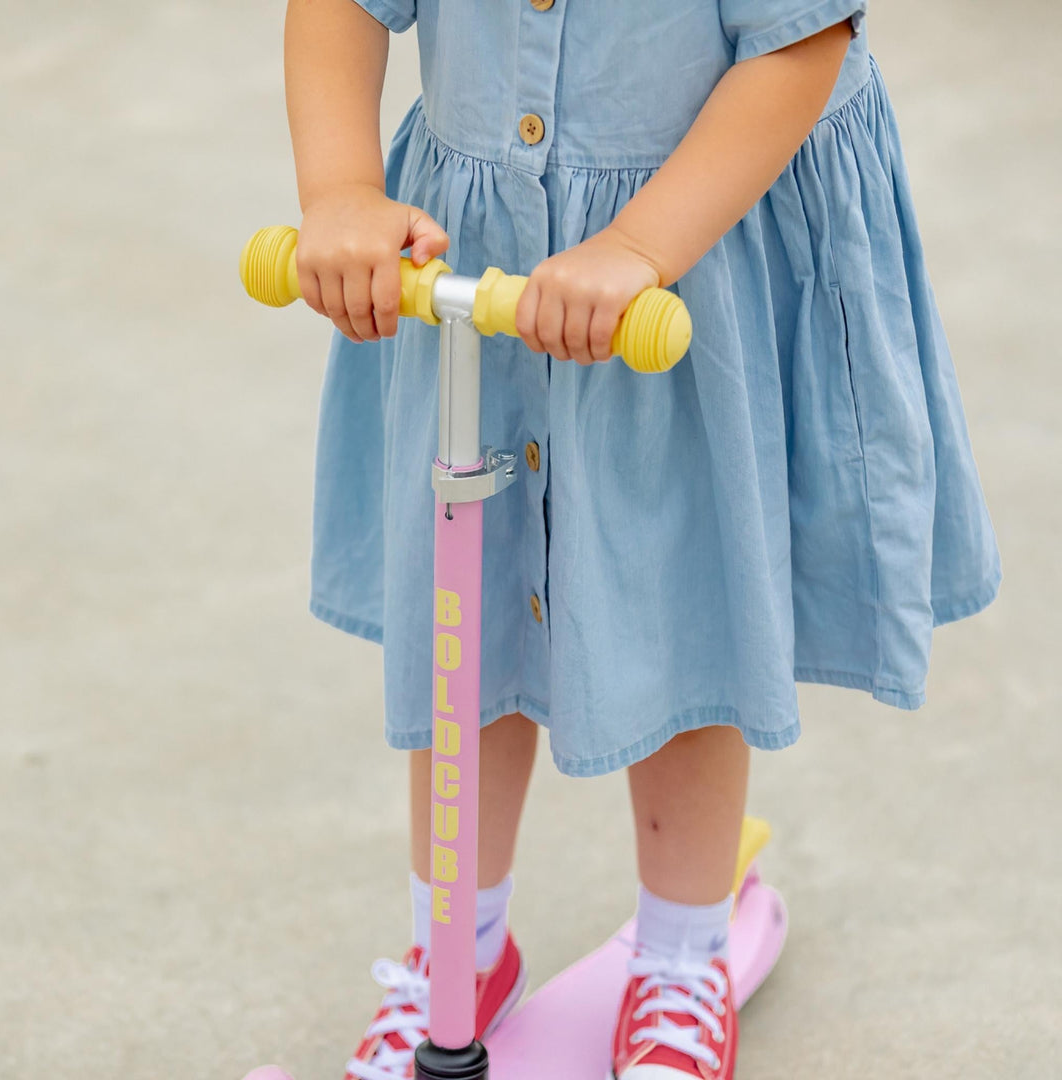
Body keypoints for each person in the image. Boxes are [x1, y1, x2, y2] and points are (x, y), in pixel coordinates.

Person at [284, 1, 1000, 1077]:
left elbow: (802, 43)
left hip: (686, 255)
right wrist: (340, 189)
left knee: (681, 598)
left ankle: (681, 958)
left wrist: (637, 244)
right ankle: (456, 953)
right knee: (460, 604)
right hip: (480, 257)